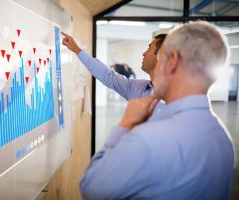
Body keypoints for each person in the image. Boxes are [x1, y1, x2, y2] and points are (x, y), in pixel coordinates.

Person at [79, 21, 235, 199]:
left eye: (161, 59)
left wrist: (126, 124)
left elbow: (91, 189)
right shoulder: (223, 139)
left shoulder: (147, 139)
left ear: (172, 61)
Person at [62, 32, 167, 100]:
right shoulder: (139, 88)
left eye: (149, 49)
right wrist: (77, 50)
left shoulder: (175, 98)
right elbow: (108, 76)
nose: (144, 53)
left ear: (161, 56)